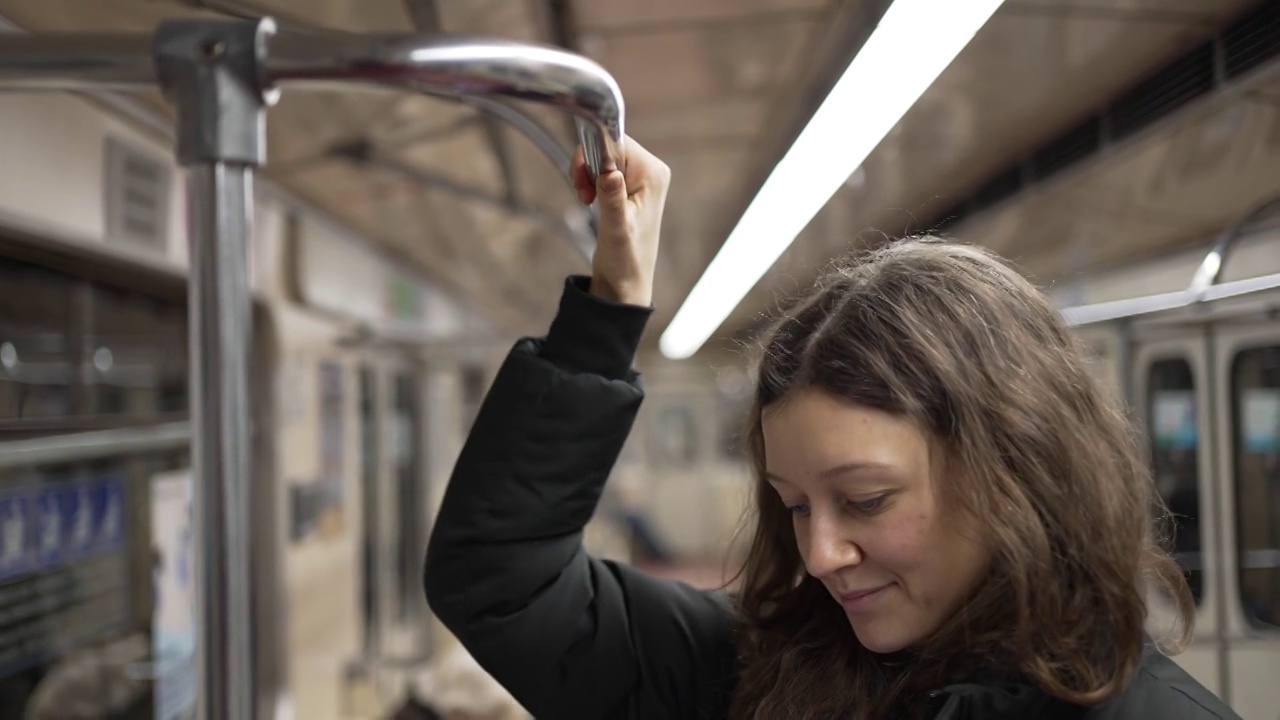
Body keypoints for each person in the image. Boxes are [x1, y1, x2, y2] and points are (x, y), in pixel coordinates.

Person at [423, 137, 1240, 720]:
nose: (820, 557)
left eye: (867, 499)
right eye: (796, 505)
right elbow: (501, 578)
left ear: (1014, 470)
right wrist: (607, 312)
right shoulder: (747, 673)